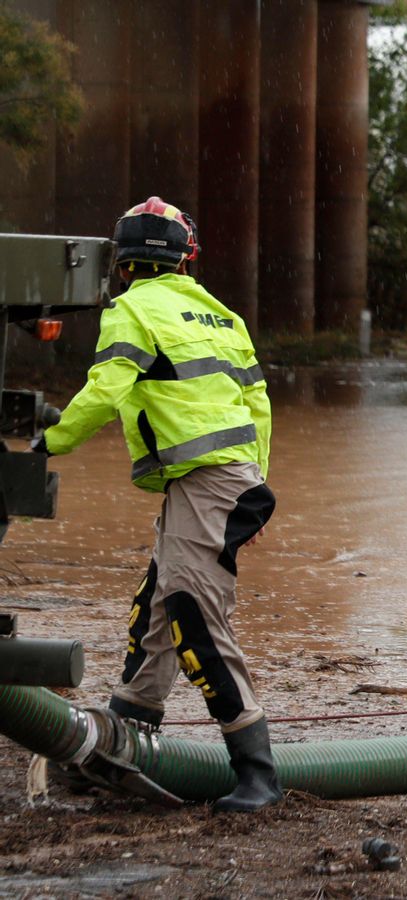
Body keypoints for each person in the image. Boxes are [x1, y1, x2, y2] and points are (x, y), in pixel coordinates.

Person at [36, 197, 280, 812]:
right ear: (184, 260)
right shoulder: (221, 315)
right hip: (225, 480)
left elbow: (107, 387)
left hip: (205, 484)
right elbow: (259, 408)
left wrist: (52, 439)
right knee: (159, 609)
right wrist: (252, 486)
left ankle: (258, 774)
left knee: (193, 618)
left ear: (123, 266)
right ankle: (125, 737)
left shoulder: (130, 311)